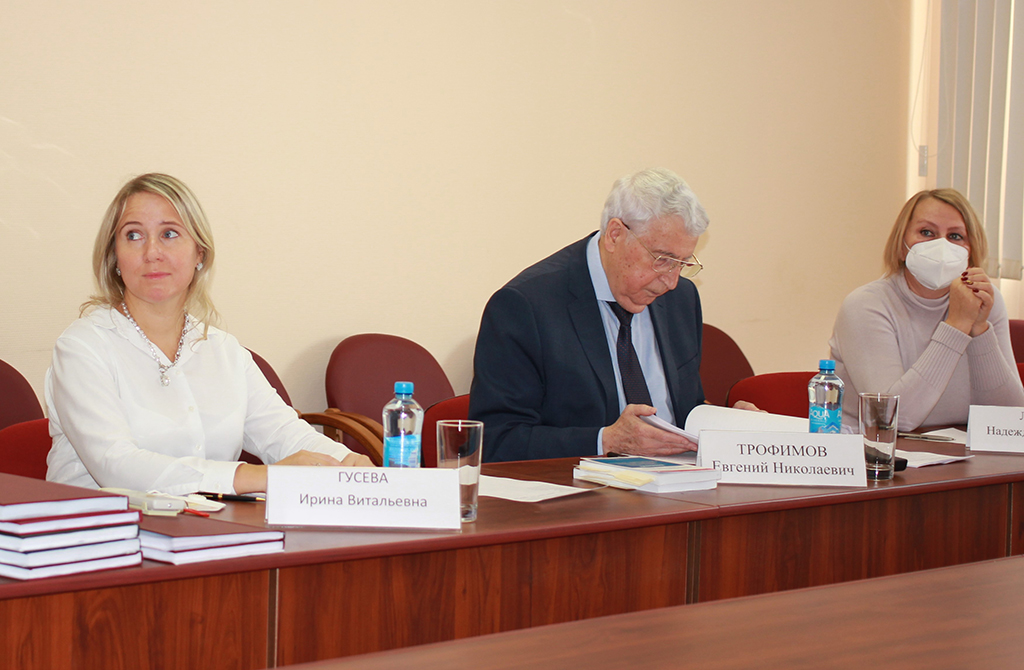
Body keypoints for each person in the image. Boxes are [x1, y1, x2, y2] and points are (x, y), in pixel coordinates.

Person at [46, 173, 373, 496]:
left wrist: (351, 465)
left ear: (199, 253)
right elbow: (115, 464)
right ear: (114, 256)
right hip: (98, 526)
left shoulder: (224, 351)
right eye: (133, 235)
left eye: (169, 233)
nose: (152, 252)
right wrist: (259, 477)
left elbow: (285, 434)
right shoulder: (82, 347)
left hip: (203, 526)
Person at [470, 167, 740, 462]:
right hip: (582, 486)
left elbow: (682, 409)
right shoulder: (525, 306)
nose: (672, 281)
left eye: (683, 263)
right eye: (663, 259)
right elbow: (497, 440)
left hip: (680, 480)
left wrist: (725, 423)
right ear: (615, 235)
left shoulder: (681, 299)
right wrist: (605, 441)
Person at [829, 188, 1024, 431]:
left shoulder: (985, 299)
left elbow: (1011, 419)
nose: (941, 246)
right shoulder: (865, 305)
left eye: (955, 236)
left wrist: (979, 329)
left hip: (960, 450)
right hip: (877, 449)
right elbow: (893, 418)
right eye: (927, 232)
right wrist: (956, 326)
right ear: (902, 247)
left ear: (971, 251)